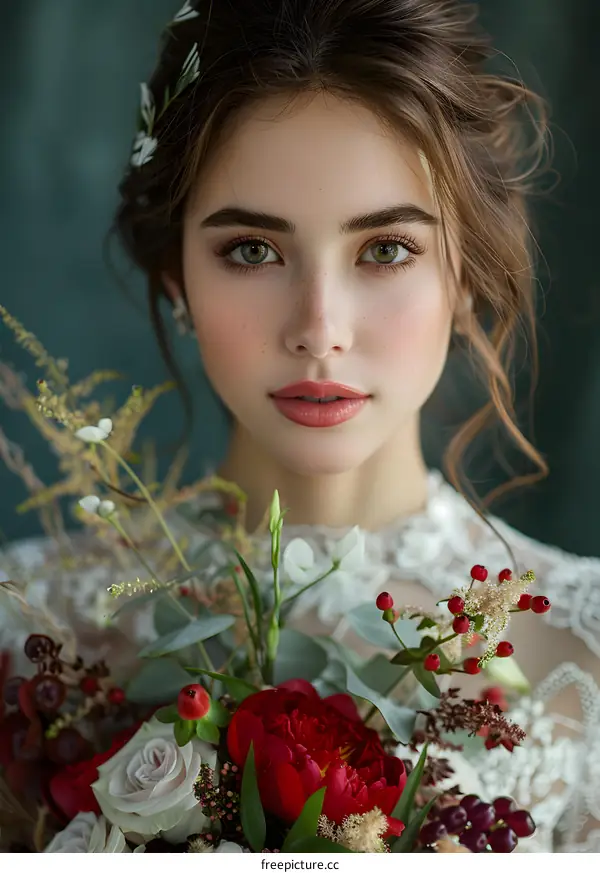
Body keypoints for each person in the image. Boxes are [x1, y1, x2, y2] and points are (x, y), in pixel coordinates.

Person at [2, 0, 598, 852]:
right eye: (252, 249)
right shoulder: (29, 634)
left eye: (386, 248)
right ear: (176, 276)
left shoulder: (584, 651)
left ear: (468, 270)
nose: (320, 328)